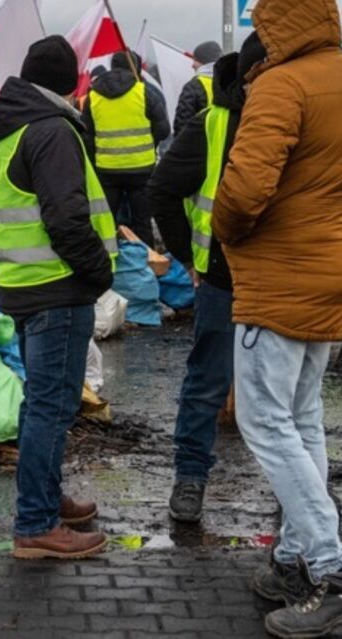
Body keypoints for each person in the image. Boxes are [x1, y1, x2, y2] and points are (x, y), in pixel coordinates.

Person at [211, 0, 342, 637]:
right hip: (332, 272)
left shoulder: (282, 82)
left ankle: (337, 573)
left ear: (286, 20)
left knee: (267, 426)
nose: (260, 27)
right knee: (303, 419)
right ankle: (292, 557)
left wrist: (227, 229)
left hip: (280, 279)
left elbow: (247, 185)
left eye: (265, 17)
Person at [0, 34, 116, 560]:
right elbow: (67, 219)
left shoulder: (0, 129)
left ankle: (46, 500)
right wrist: (99, 272)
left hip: (21, 286)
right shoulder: (52, 130)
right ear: (69, 83)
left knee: (42, 403)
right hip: (58, 288)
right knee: (51, 410)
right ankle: (35, 523)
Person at [149, 47, 248, 523]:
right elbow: (163, 189)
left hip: (284, 282)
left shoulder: (300, 121)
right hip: (224, 280)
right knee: (208, 381)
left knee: (289, 397)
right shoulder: (212, 123)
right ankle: (190, 477)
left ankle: (302, 498)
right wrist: (188, 255)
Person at [81, 50, 169, 245]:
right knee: (142, 222)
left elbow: (86, 136)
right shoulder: (144, 92)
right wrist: (148, 143)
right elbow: (163, 129)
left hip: (107, 171)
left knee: (106, 222)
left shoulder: (93, 96)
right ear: (135, 68)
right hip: (141, 168)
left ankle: (111, 262)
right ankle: (147, 264)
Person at [173, 40, 223, 132]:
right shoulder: (231, 83)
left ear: (204, 61)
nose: (192, 65)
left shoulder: (193, 86)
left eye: (195, 60)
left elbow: (182, 125)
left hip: (200, 144)